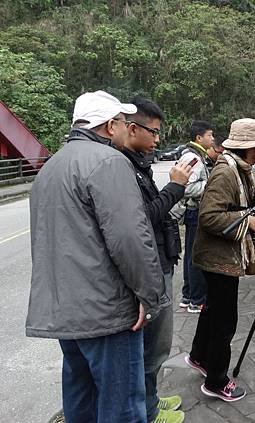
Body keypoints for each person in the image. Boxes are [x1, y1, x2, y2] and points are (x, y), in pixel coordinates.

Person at [26, 90, 170, 423]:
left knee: (81, 399)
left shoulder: (51, 166)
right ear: (109, 126)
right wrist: (151, 296)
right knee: (121, 407)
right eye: (122, 122)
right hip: (106, 313)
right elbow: (130, 239)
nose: (125, 128)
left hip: (65, 311)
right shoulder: (108, 162)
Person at [185, 118, 255, 402]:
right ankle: (216, 380)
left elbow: (252, 199)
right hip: (217, 257)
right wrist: (245, 222)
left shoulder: (242, 169)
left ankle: (200, 356)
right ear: (250, 148)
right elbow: (210, 216)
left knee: (212, 311)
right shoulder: (226, 172)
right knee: (225, 320)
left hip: (220, 255)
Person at [122, 97, 192, 423]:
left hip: (160, 264)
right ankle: (148, 413)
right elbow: (145, 218)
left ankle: (151, 400)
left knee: (156, 347)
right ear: (132, 128)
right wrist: (176, 188)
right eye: (153, 132)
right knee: (151, 349)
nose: (158, 139)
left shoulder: (137, 163)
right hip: (150, 270)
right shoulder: (121, 168)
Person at [176, 121, 214, 314]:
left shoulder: (194, 156)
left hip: (193, 213)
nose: (213, 139)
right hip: (195, 212)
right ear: (199, 138)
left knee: (191, 255)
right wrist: (209, 186)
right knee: (196, 256)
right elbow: (186, 187)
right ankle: (197, 300)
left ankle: (188, 295)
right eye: (210, 135)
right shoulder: (195, 159)